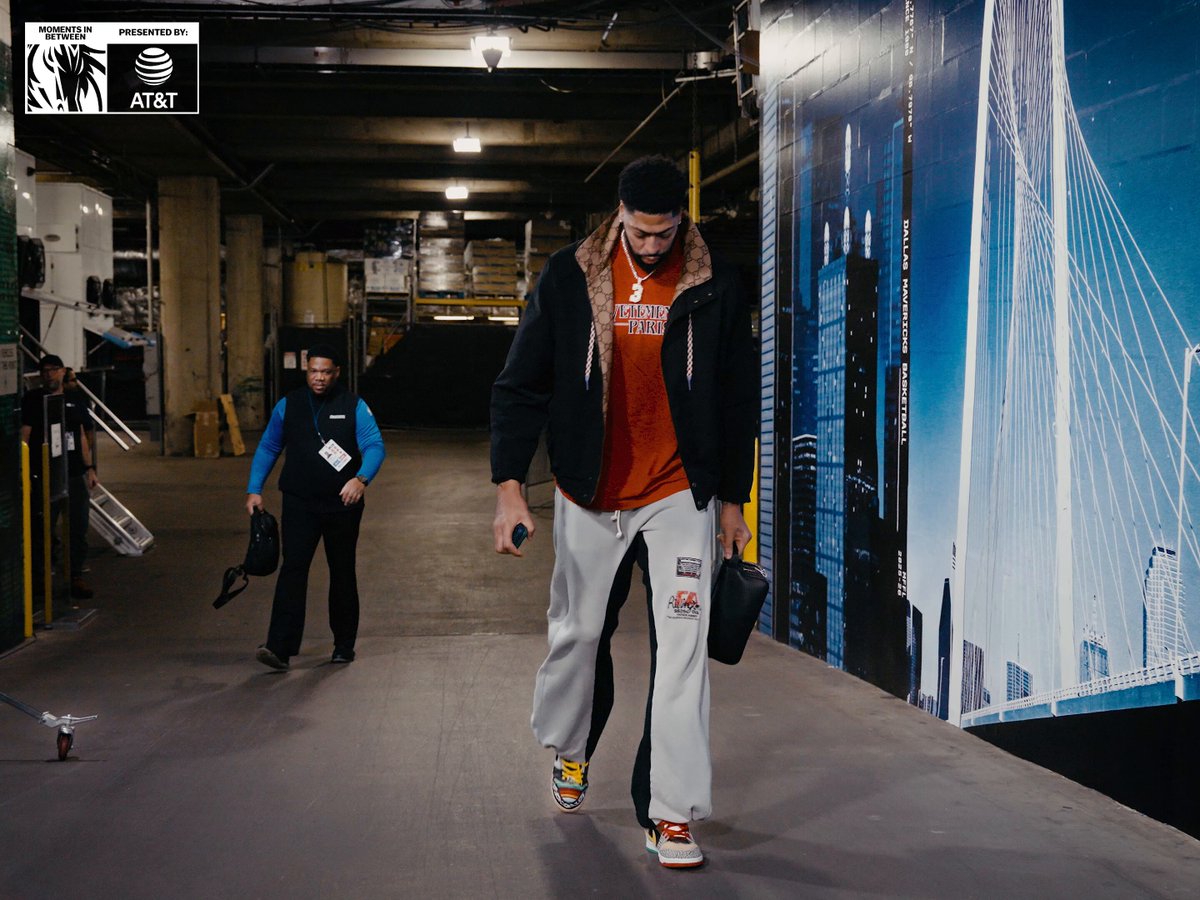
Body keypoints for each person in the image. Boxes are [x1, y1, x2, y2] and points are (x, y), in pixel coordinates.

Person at [490, 155, 757, 868]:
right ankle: (571, 750)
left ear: (681, 221)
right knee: (577, 635)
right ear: (619, 215)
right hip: (589, 490)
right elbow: (519, 386)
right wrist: (510, 485)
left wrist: (733, 500)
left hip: (678, 493)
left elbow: (736, 400)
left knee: (683, 651)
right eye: (639, 234)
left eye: (662, 234)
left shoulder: (715, 283)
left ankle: (672, 813)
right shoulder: (571, 277)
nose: (649, 246)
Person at [245, 344, 385, 670]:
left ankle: (343, 645)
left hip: (343, 505)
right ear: (306, 371)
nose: (319, 378)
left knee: (342, 571)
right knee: (293, 570)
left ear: (336, 373)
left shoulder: (354, 406)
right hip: (299, 503)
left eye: (326, 372)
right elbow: (268, 446)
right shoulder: (288, 405)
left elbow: (375, 446)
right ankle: (279, 648)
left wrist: (361, 479)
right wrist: (254, 489)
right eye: (313, 372)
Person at [21, 355, 99, 601]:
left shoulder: (76, 399)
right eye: (44, 371)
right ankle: (42, 579)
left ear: (63, 372)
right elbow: (25, 435)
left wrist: (90, 469)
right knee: (43, 528)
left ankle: (75, 575)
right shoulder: (33, 400)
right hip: (43, 473)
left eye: (54, 370)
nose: (49, 375)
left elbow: (83, 435)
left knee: (78, 526)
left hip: (74, 472)